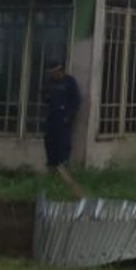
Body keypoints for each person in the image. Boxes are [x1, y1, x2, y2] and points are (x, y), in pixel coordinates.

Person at [43, 62, 84, 198]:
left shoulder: (69, 82)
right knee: (50, 145)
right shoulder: (50, 83)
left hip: (63, 120)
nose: (52, 75)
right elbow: (45, 97)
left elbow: (76, 101)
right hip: (52, 119)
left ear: (60, 71)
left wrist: (68, 115)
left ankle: (64, 175)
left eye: (54, 72)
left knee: (62, 148)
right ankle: (52, 176)